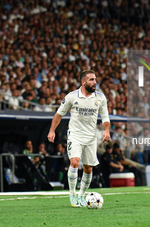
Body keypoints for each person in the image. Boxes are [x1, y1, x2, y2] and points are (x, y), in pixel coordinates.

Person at [47, 70, 110, 207]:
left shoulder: (100, 98)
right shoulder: (72, 97)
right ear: (83, 82)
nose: (95, 82)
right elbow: (59, 114)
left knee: (88, 169)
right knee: (75, 162)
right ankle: (72, 194)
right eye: (91, 80)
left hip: (91, 137)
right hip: (75, 135)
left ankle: (81, 195)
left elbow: (105, 117)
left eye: (95, 79)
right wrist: (52, 131)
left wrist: (106, 130)